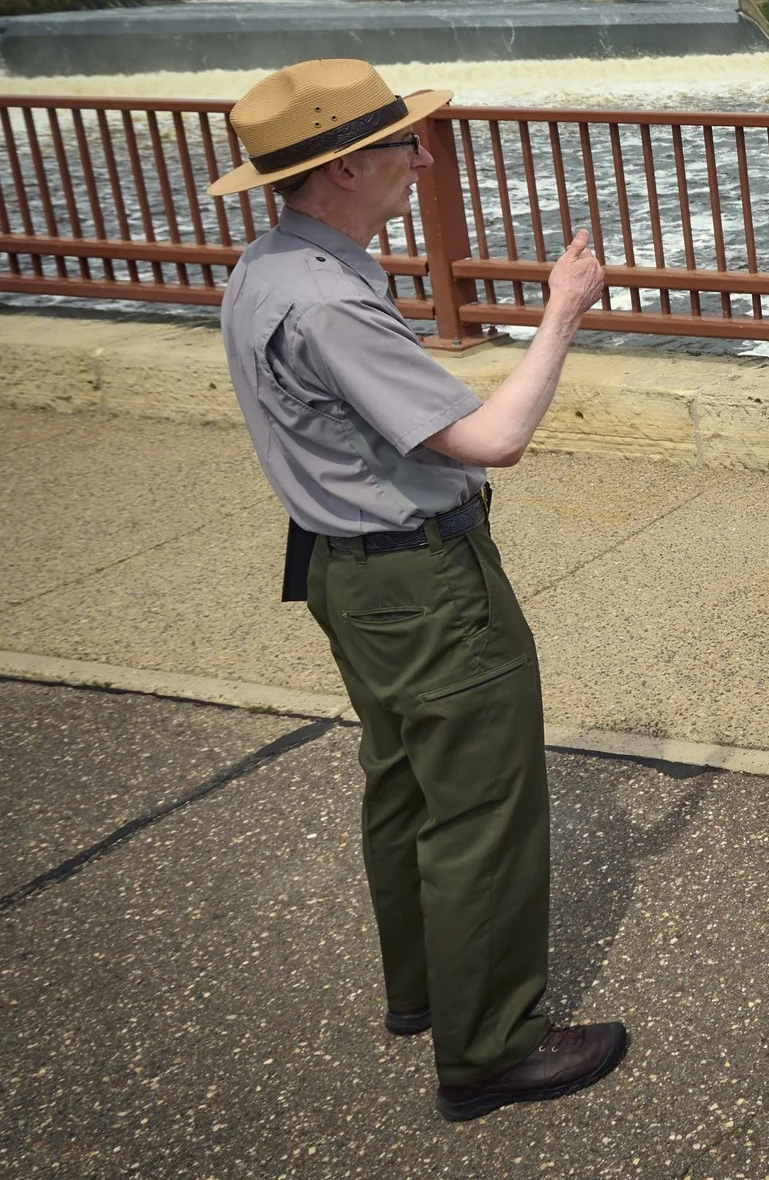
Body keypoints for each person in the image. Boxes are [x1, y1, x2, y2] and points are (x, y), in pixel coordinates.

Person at [212, 58, 627, 1122]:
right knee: (480, 807)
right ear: (346, 165)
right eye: (404, 144)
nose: (422, 157)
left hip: (346, 572)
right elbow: (493, 438)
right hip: (421, 580)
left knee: (402, 781)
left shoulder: (269, 265)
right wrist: (562, 314)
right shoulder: (328, 300)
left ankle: (425, 994)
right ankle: (490, 1048)